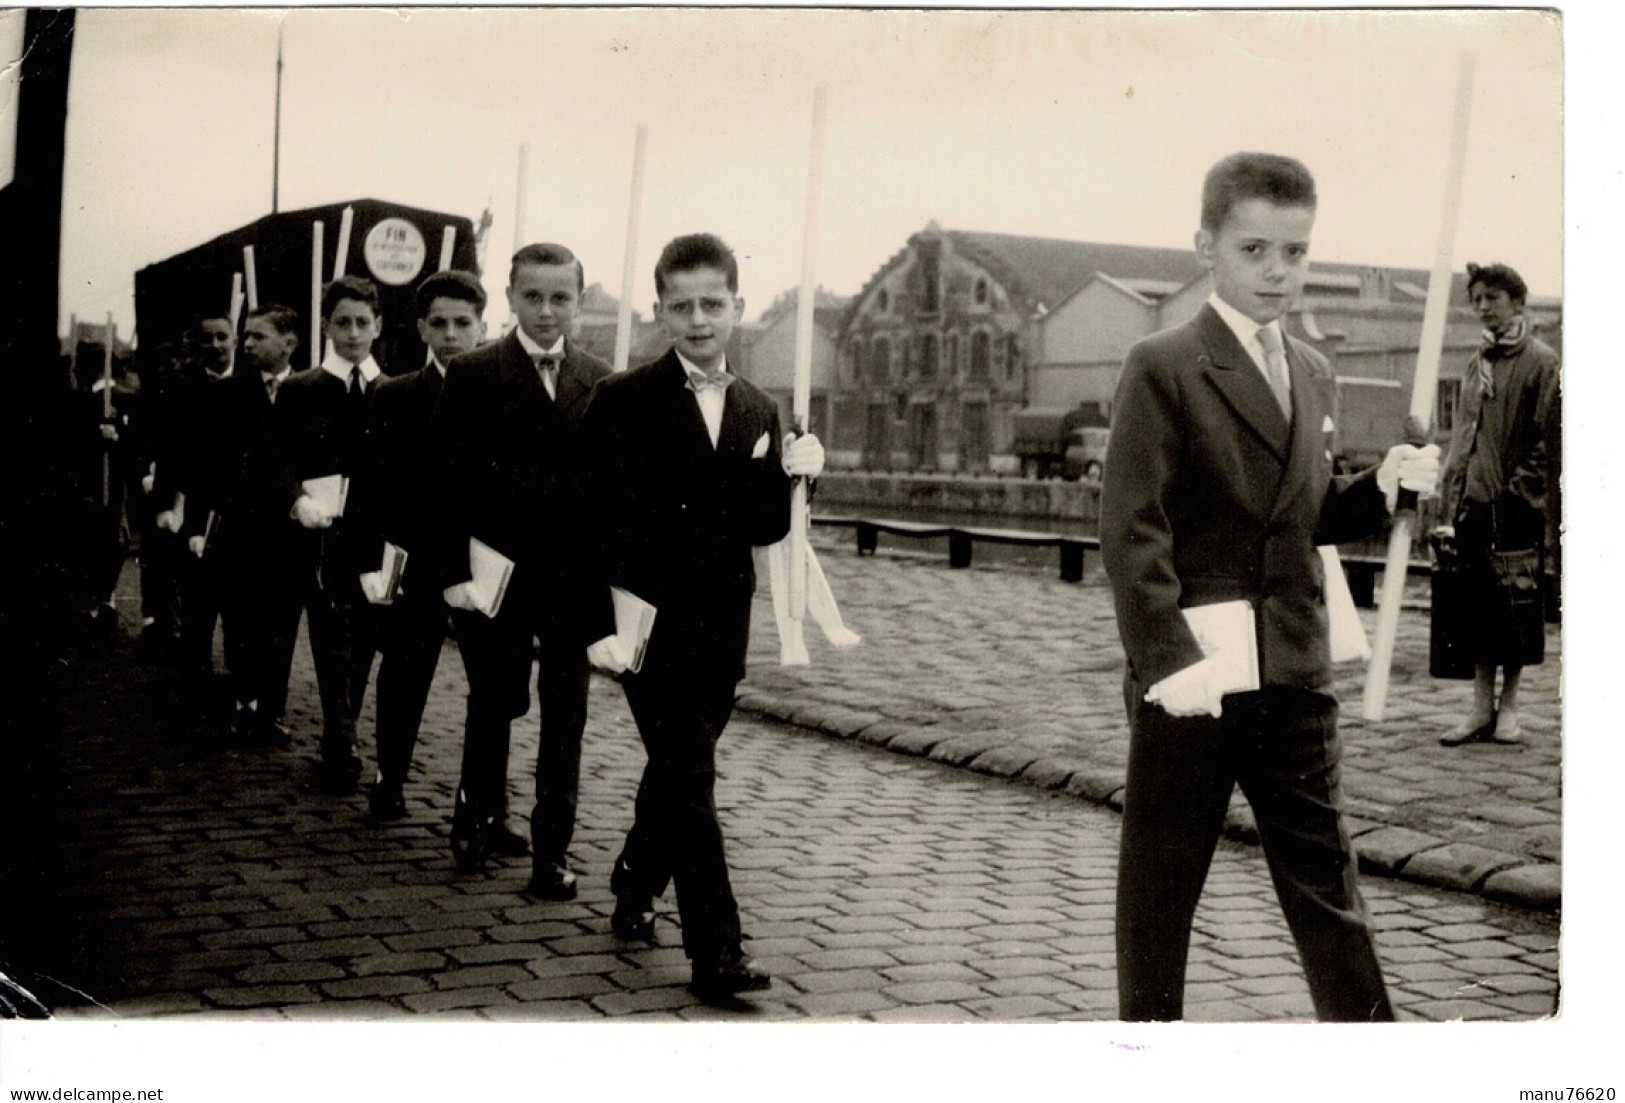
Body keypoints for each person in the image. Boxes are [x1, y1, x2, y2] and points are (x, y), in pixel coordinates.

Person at [1099, 152, 1439, 1022]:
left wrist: (1381, 488)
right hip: (1194, 681)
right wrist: (1165, 660)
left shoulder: (1313, 367)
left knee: (1329, 893)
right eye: (1255, 250)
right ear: (1205, 245)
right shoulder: (1163, 363)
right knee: (1159, 900)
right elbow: (1131, 529)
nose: (1278, 272)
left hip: (1292, 670)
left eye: (1295, 252)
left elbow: (1304, 515)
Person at [580, 233, 825, 1002]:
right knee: (692, 777)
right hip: (643, 625)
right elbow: (581, 520)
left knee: (676, 775)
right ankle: (715, 949)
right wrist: (598, 625)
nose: (696, 318)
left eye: (711, 303)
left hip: (720, 629)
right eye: (680, 305)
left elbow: (764, 527)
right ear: (659, 310)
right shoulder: (622, 399)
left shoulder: (759, 405)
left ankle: (631, 877)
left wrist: (799, 476)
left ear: (737, 308)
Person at [428, 244, 612, 892]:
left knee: (566, 715)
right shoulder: (476, 373)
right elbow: (446, 485)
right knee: (495, 701)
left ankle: (551, 851)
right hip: (496, 574)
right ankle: (475, 811)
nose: (545, 310)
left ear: (578, 302)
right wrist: (455, 573)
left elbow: (611, 491)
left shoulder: (598, 377)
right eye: (532, 296)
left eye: (560, 297)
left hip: (571, 580)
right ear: (509, 297)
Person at [357, 270, 487, 821]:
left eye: (464, 323)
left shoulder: (501, 393)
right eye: (440, 323)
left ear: (483, 326)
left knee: (491, 690)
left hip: (483, 565)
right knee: (404, 676)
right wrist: (370, 565)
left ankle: (483, 805)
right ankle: (389, 776)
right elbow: (370, 487)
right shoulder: (395, 395)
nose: (452, 334)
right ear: (420, 327)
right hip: (414, 562)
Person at [264, 276, 388, 794]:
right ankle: (341, 740)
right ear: (326, 326)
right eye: (343, 322)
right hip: (319, 536)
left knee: (363, 641)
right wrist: (298, 500)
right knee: (331, 635)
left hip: (374, 538)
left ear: (378, 325)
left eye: (363, 322)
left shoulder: (391, 391)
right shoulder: (302, 389)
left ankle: (344, 727)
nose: (354, 332)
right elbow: (276, 460)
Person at [1434, 262, 1559, 747]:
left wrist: (1516, 495)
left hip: (1513, 507)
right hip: (1474, 502)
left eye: (1493, 299)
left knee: (1516, 606)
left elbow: (1549, 440)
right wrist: (1454, 491)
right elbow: (1466, 433)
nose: (1483, 307)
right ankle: (1478, 708)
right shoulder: (1477, 361)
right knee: (1475, 608)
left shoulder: (1541, 361)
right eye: (1477, 299)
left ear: (1518, 303)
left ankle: (1509, 709)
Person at [183, 305, 295, 745]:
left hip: (288, 531)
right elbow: (204, 466)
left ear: (289, 342)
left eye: (258, 336)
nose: (247, 344)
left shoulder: (307, 391)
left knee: (282, 623)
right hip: (239, 528)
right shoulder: (227, 394)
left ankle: (273, 709)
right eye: (245, 336)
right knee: (241, 620)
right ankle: (244, 702)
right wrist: (198, 525)